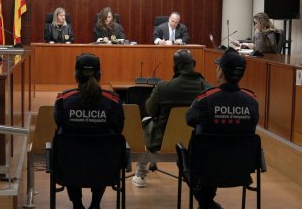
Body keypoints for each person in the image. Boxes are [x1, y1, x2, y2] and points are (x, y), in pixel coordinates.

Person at [185, 47, 259, 209]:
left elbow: (189, 119)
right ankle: (208, 203)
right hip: (240, 168)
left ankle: (206, 203)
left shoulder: (205, 98)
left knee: (192, 149)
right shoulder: (252, 101)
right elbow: (251, 125)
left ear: (220, 71)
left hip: (206, 166)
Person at [132, 49, 212, 188]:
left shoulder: (163, 88)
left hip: (162, 143)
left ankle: (141, 174)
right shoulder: (208, 89)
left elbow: (149, 110)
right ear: (193, 63)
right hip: (196, 143)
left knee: (145, 121)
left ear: (174, 68)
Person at [53, 53, 124, 209]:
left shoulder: (63, 100)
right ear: (99, 75)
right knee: (104, 149)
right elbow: (118, 129)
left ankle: (77, 204)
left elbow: (60, 126)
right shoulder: (113, 101)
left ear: (76, 75)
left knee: (70, 149)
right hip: (104, 166)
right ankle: (95, 204)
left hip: (70, 166)